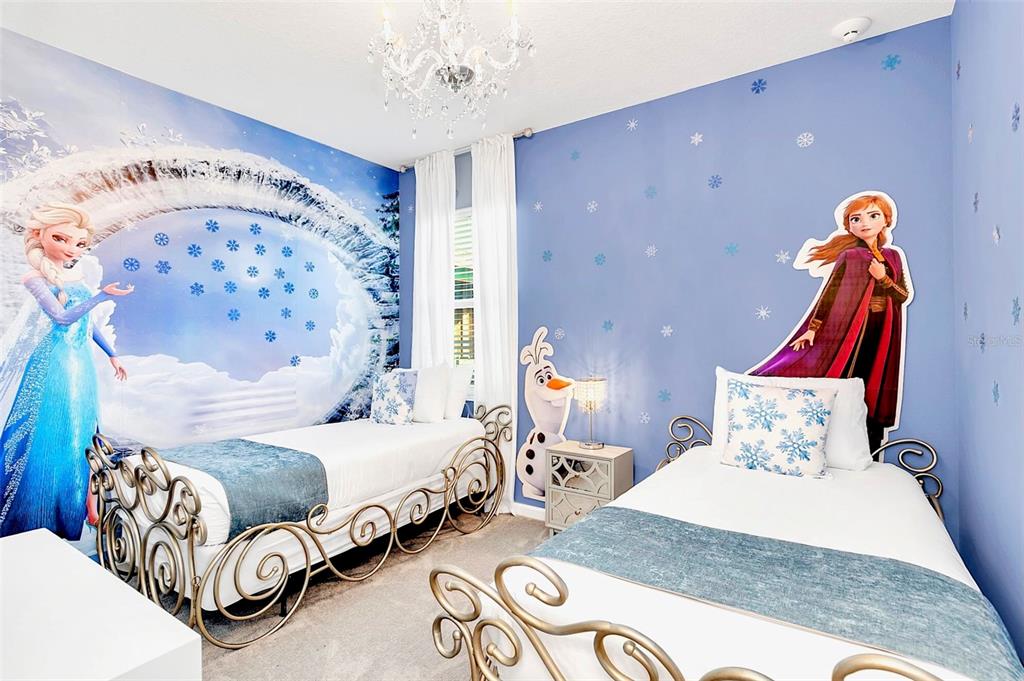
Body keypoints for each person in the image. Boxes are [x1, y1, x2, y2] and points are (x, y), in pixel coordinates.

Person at [0, 202, 132, 538]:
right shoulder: (34, 277)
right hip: (54, 361)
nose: (71, 248)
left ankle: (77, 508)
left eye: (80, 243)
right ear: (39, 235)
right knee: (51, 431)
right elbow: (61, 318)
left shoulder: (75, 276)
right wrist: (101, 296)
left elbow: (87, 323)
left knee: (81, 428)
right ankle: (35, 512)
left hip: (80, 361)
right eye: (61, 239)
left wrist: (112, 354)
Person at [752, 193, 910, 452]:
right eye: (856, 219)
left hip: (882, 330)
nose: (864, 223)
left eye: (873, 216)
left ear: (886, 220)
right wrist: (813, 329)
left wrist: (883, 277)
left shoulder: (892, 256)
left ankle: (867, 448)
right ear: (849, 226)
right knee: (847, 379)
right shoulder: (850, 256)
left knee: (875, 384)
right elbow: (830, 295)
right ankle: (830, 442)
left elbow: (902, 296)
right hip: (851, 330)